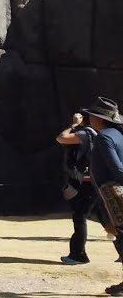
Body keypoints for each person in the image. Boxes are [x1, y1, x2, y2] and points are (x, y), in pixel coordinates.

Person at [63, 97, 123, 295]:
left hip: (114, 190)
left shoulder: (104, 137)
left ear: (98, 119)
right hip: (112, 189)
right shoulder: (117, 134)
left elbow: (117, 168)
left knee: (121, 234)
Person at [56, 108, 99, 264]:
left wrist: (74, 125)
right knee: (100, 216)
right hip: (94, 180)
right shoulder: (96, 133)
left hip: (87, 182)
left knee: (80, 216)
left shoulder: (86, 133)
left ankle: (78, 255)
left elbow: (61, 138)